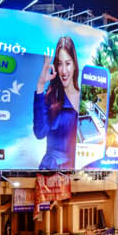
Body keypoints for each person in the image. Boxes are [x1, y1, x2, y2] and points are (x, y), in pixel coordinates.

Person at [31, 34, 81, 172]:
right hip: (52, 172)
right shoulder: (52, 97)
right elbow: (39, 133)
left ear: (75, 65)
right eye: (59, 63)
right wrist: (41, 85)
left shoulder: (86, 97)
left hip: (81, 171)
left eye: (68, 63)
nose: (64, 71)